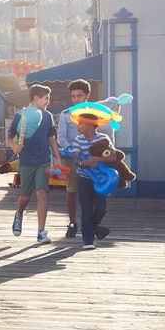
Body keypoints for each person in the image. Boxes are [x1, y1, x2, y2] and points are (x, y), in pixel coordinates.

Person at [61, 105, 117, 250]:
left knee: (101, 208)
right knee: (86, 209)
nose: (78, 126)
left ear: (90, 125)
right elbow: (75, 160)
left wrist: (98, 159)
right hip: (84, 178)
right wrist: (84, 162)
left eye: (81, 123)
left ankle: (92, 228)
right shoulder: (78, 140)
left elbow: (113, 156)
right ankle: (87, 240)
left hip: (101, 179)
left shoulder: (103, 139)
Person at [9, 84, 59, 242]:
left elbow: (51, 139)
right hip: (26, 162)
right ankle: (19, 215)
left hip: (43, 160)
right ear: (36, 98)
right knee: (25, 197)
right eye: (46, 99)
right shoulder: (20, 116)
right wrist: (13, 146)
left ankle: (41, 232)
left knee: (42, 194)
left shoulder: (48, 116)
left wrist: (57, 157)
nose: (48, 102)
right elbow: (10, 136)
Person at [56, 80, 95, 242]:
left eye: (80, 95)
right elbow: (60, 137)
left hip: (91, 158)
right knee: (72, 191)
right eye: (73, 96)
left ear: (87, 96)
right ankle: (72, 223)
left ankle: (92, 223)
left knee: (91, 192)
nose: (76, 99)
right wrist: (72, 149)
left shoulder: (95, 114)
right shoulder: (65, 114)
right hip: (72, 158)